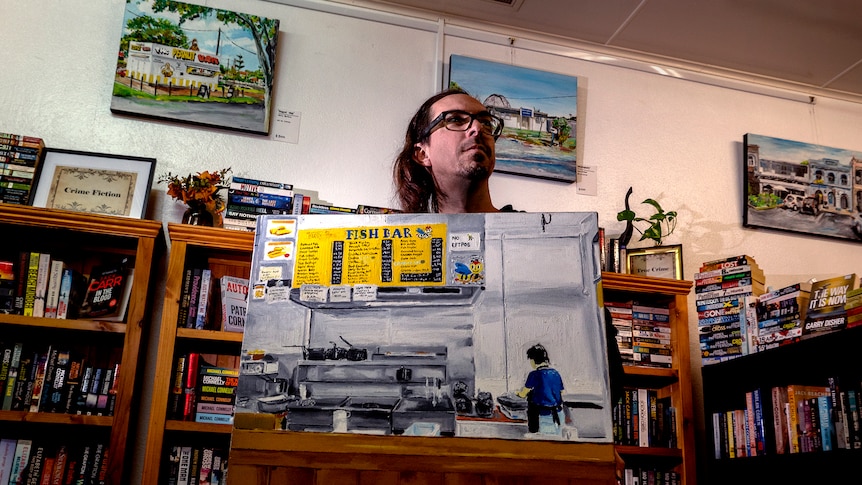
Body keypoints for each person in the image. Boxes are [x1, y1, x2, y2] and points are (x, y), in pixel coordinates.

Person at [392, 87, 625, 407]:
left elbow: (606, 364)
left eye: (486, 123)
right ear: (423, 153)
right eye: (456, 120)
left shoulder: (543, 240)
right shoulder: (406, 249)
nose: (477, 129)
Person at [516, 344, 564, 435]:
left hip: (541, 414)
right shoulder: (556, 373)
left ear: (533, 360)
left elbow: (523, 394)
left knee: (531, 399)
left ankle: (533, 431)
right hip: (557, 414)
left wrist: (517, 393)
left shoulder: (534, 374)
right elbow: (561, 391)